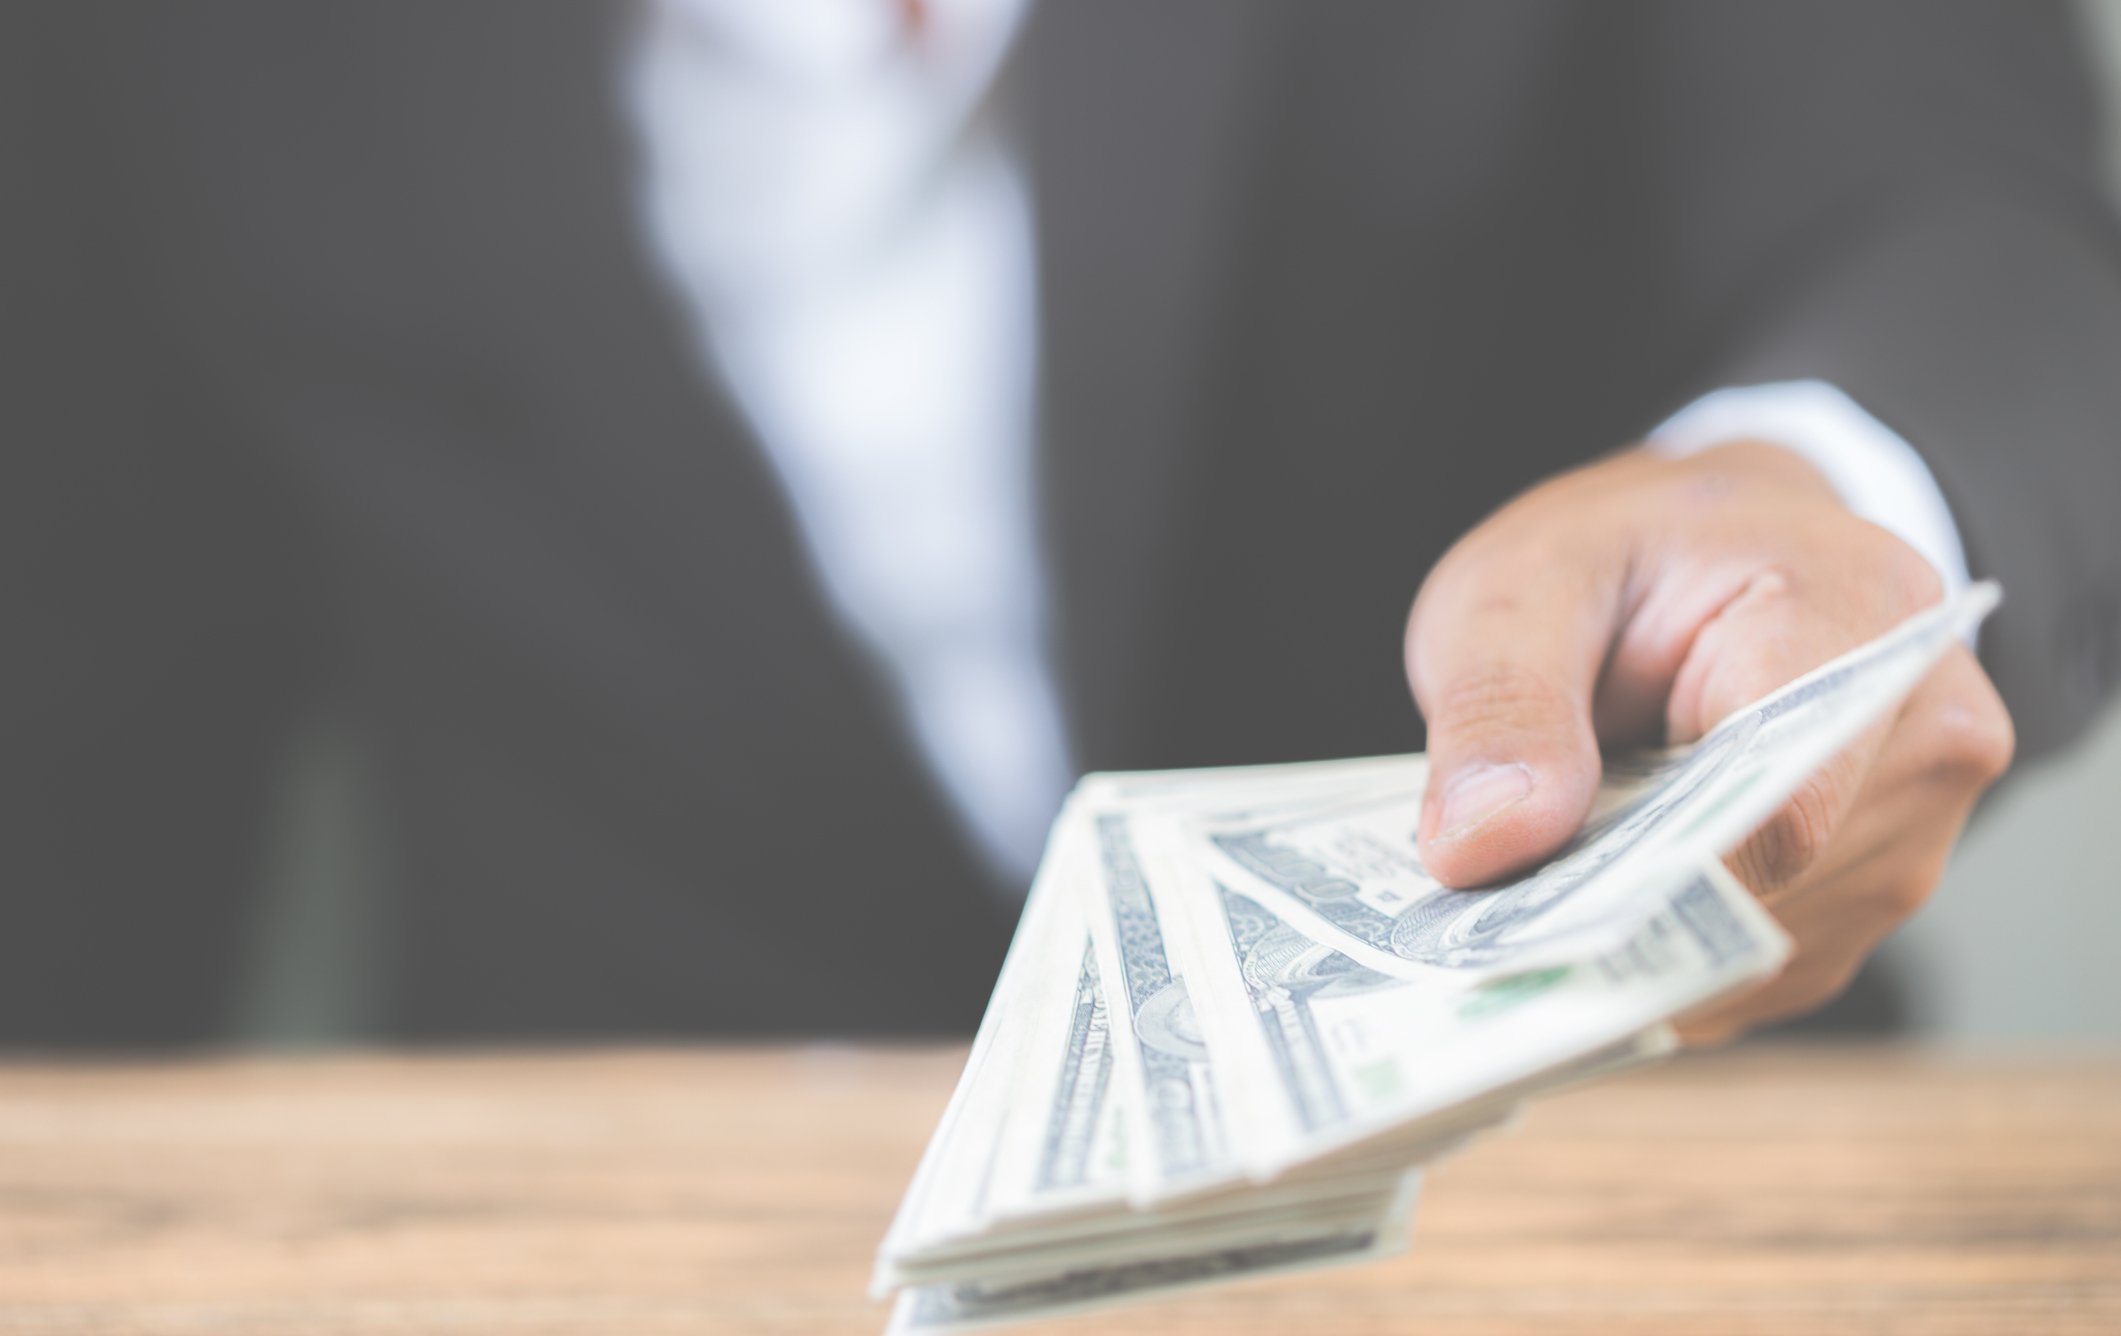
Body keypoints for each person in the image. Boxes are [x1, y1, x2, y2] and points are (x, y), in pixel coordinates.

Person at [6, 0, 2117, 1046]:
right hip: (609, 1286)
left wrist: (1830, 502)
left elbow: (1960, 211)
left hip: (1632, 1261)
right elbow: (76, 793)